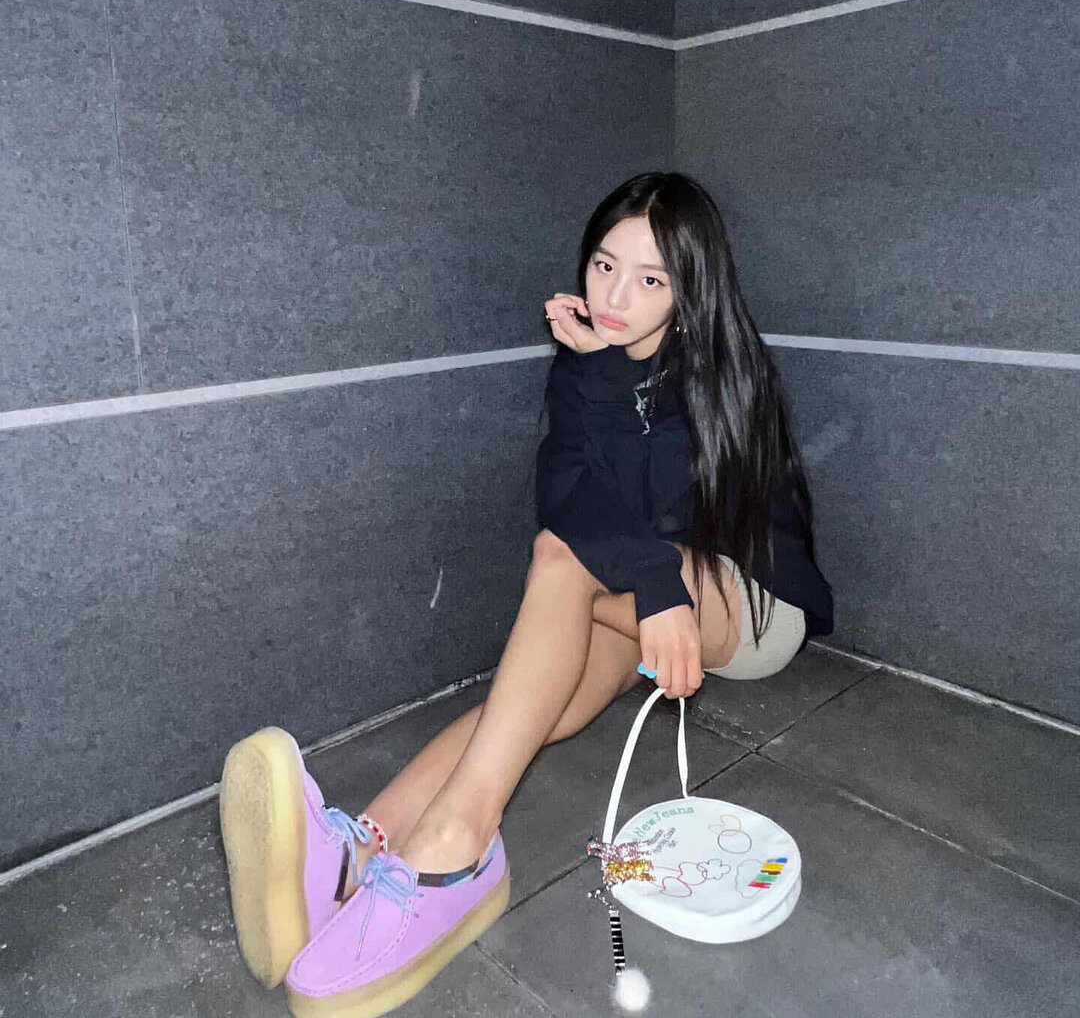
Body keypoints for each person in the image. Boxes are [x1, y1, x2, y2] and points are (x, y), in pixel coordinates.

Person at [218, 171, 834, 1018]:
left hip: (750, 603)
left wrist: (656, 571)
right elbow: (569, 496)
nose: (615, 296)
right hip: (646, 593)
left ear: (690, 292)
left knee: (560, 563)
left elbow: (651, 507)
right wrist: (596, 378)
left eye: (650, 279)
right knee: (534, 699)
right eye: (604, 265)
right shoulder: (588, 367)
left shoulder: (724, 369)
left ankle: (457, 844)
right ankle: (360, 853)